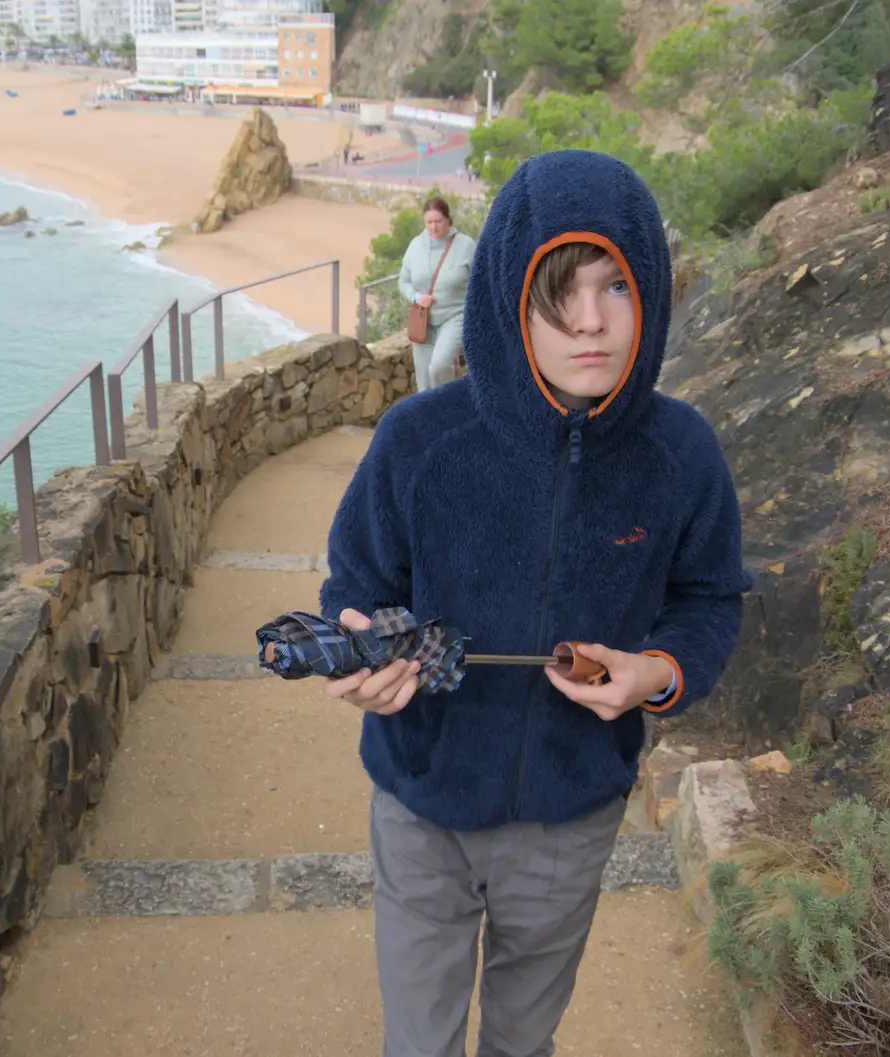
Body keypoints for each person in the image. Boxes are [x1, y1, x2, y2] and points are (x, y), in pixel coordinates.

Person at [318, 149, 752, 1057]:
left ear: (654, 292)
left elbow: (710, 599)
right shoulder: (417, 439)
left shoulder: (684, 453)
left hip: (571, 814)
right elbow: (356, 582)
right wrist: (362, 646)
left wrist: (656, 672)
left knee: (523, 1043)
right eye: (558, 292)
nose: (590, 322)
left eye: (616, 287)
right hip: (421, 804)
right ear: (509, 296)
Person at [398, 196, 475, 392]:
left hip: (454, 315)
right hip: (423, 320)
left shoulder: (466, 246)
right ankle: (432, 419)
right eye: (429, 222)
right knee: (424, 381)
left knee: (439, 367)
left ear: (448, 219)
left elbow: (481, 282)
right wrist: (416, 297)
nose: (433, 227)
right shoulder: (416, 245)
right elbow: (403, 282)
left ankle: (448, 409)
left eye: (438, 221)